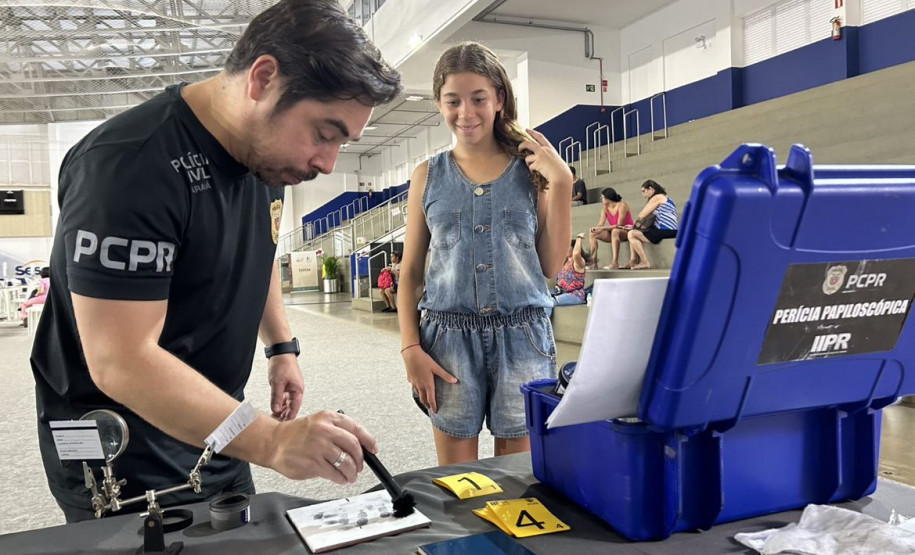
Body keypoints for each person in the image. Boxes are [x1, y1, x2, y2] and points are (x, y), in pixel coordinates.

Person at [30, 0, 402, 523]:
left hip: (220, 423)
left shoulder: (265, 156)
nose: (327, 162)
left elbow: (261, 246)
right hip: (127, 447)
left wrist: (281, 346)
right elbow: (121, 360)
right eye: (325, 132)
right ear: (264, 78)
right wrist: (272, 441)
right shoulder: (127, 166)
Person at [397, 42, 572, 465]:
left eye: (478, 99)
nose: (466, 113)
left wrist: (562, 181)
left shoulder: (532, 170)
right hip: (447, 342)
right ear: (439, 103)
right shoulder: (427, 176)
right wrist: (410, 350)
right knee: (459, 484)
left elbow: (550, 265)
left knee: (515, 482)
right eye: (452, 101)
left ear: (499, 99)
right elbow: (412, 274)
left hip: (523, 340)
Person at [621, 179, 679, 270]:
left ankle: (644, 262)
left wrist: (634, 227)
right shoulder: (665, 197)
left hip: (665, 230)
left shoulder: (657, 197)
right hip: (668, 230)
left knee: (631, 234)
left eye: (644, 191)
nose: (643, 195)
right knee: (633, 231)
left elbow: (642, 215)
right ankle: (632, 261)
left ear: (651, 189)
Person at [587, 187, 633, 269]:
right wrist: (596, 228)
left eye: (602, 197)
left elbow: (619, 225)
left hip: (626, 231)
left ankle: (615, 262)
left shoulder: (622, 205)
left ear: (608, 198)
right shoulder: (605, 209)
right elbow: (600, 224)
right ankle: (593, 262)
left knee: (615, 231)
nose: (601, 200)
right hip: (613, 231)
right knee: (592, 233)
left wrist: (603, 228)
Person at [551, 235, 590, 308]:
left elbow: (576, 254)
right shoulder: (563, 264)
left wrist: (579, 239)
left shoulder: (578, 263)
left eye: (568, 246)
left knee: (550, 302)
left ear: (573, 248)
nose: (565, 249)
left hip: (575, 295)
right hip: (561, 294)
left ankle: (546, 319)